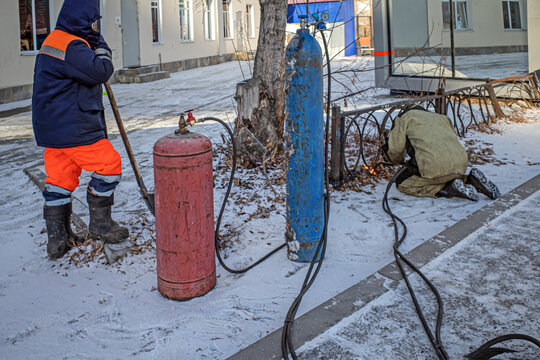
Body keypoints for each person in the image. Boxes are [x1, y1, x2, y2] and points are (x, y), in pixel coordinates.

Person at [32, 0, 129, 260]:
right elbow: (100, 71)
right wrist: (101, 46)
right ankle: (101, 225)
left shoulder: (53, 41)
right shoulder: (71, 45)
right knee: (110, 166)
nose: (94, 26)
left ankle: (58, 241)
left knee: (60, 181)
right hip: (73, 127)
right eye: (92, 21)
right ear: (81, 19)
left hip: (53, 130)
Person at [382, 106, 500, 201]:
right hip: (460, 163)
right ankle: (469, 180)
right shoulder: (441, 117)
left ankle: (446, 190)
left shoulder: (404, 118)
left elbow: (395, 149)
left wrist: (394, 161)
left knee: (402, 182)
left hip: (432, 164)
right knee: (446, 173)